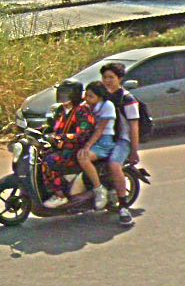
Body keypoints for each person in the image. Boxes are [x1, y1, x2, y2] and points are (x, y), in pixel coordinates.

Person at [40, 80, 96, 209]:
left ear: (75, 94)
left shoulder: (83, 110)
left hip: (75, 150)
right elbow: (52, 126)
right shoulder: (60, 110)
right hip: (60, 146)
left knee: (48, 162)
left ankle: (60, 195)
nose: (63, 96)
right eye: (61, 92)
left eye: (66, 93)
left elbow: (82, 134)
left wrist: (60, 137)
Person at [100, 61, 141, 227]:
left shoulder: (127, 99)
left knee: (114, 164)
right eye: (105, 77)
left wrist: (134, 151)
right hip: (105, 138)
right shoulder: (102, 96)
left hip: (122, 140)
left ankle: (123, 207)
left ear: (120, 79)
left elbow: (134, 126)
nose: (107, 80)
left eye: (111, 77)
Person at [76, 81, 117, 210]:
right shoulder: (87, 106)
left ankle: (99, 189)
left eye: (91, 96)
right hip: (91, 139)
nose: (87, 99)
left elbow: (100, 130)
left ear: (100, 97)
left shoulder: (107, 106)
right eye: (86, 96)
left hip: (104, 141)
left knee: (83, 157)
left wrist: (87, 146)